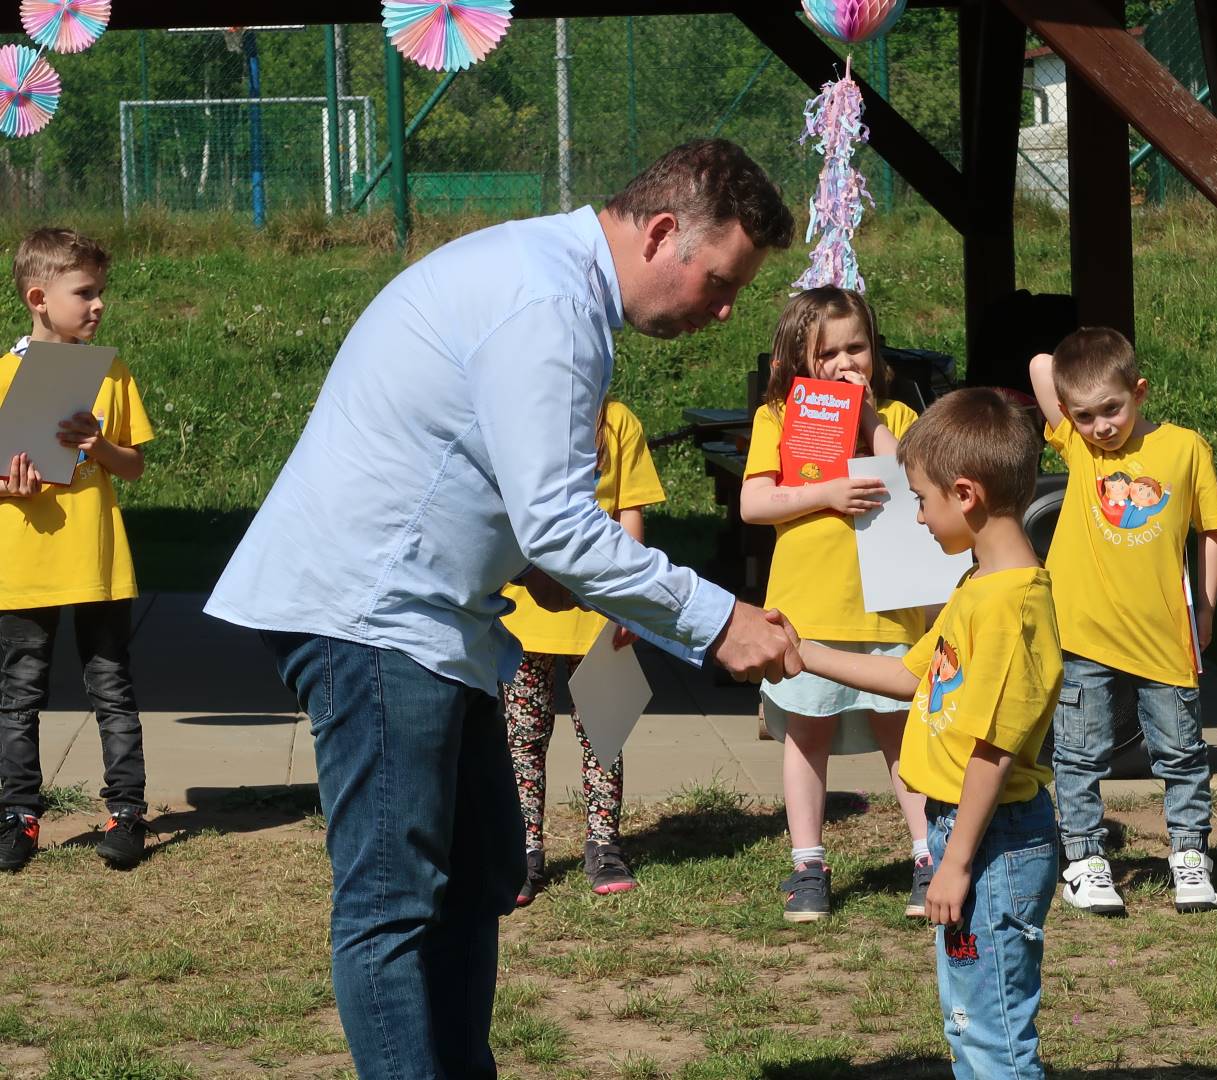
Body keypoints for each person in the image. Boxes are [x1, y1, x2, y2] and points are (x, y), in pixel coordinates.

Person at [204, 139, 800, 1079]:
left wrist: (536, 561)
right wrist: (720, 619)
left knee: (477, 873)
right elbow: (560, 522)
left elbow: (496, 483)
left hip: (433, 622)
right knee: (394, 907)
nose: (724, 311)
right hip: (375, 619)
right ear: (660, 233)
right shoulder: (548, 301)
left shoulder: (550, 280)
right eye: (719, 282)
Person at [785, 388, 1062, 1079]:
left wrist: (956, 862)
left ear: (965, 495)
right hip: (967, 833)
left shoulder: (1009, 607)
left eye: (920, 500)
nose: (916, 516)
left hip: (992, 843)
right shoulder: (977, 585)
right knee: (969, 1019)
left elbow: (993, 751)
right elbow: (913, 677)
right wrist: (803, 651)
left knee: (992, 1031)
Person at [738, 287, 932, 923]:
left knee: (902, 733)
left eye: (858, 347)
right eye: (829, 353)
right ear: (799, 358)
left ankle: (928, 854)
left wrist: (870, 420)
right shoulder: (777, 419)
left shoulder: (898, 417)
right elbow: (754, 503)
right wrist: (827, 493)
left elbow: (912, 485)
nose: (846, 362)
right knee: (807, 733)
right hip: (809, 610)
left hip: (888, 609)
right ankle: (808, 865)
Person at [1029, 328, 1217, 916]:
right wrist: (1080, 392)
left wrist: (1206, 606)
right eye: (1084, 416)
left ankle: (1190, 855)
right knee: (1078, 756)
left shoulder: (1185, 447)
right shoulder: (1080, 448)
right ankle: (1085, 860)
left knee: (1183, 753)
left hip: (1164, 635)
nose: (1100, 427)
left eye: (1112, 409)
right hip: (1082, 634)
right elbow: (1041, 363)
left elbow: (1211, 531)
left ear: (1140, 392)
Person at [0, 227, 154, 872]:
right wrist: (9, 485)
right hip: (22, 568)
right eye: (85, 292)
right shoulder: (4, 374)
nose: (98, 304)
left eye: (100, 291)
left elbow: (134, 466)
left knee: (111, 688)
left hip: (97, 563)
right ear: (39, 298)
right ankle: (18, 816)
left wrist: (98, 444)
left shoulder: (109, 372)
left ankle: (127, 813)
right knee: (18, 695)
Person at [503, 397, 664, 902]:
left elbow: (630, 515)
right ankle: (524, 849)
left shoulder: (619, 421)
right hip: (523, 617)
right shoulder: (518, 412)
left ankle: (604, 845)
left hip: (599, 614)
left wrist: (629, 602)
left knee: (603, 737)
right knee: (523, 741)